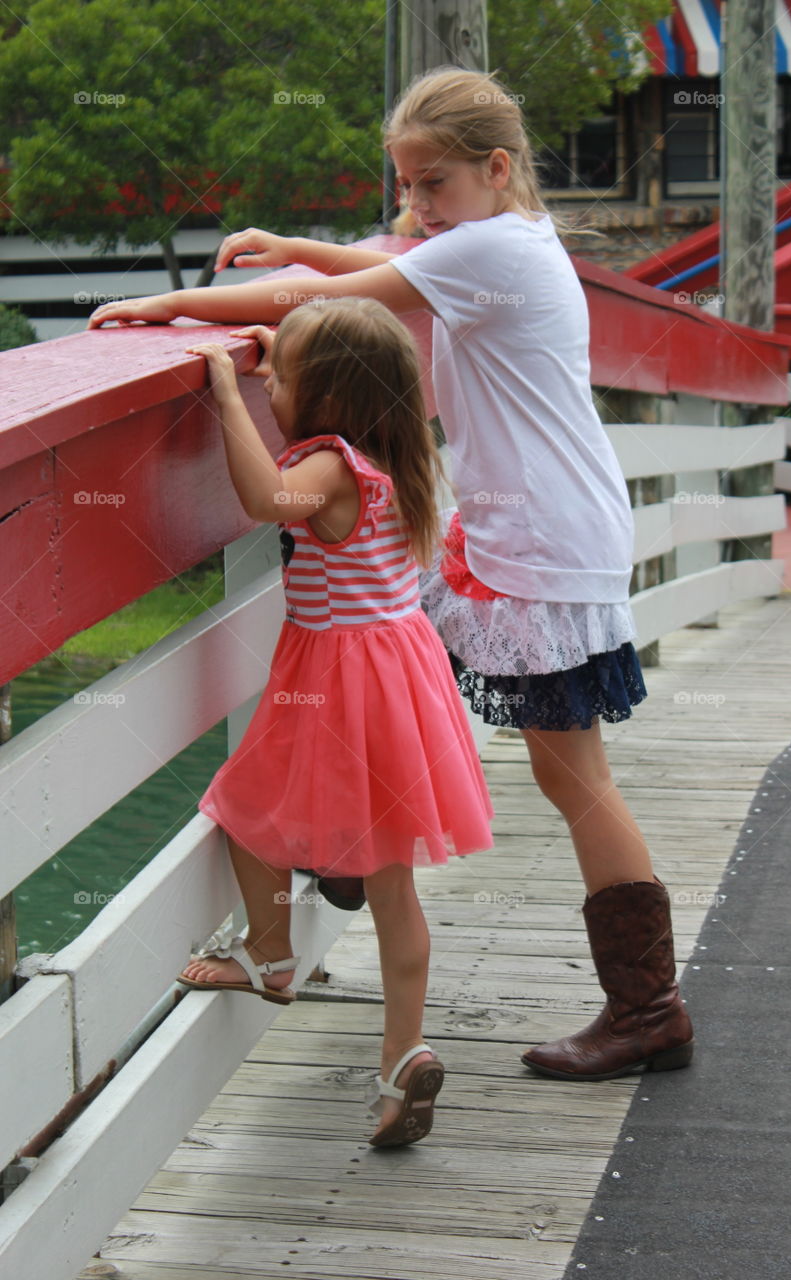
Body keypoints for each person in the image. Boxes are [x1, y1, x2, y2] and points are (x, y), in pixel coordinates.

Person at [88, 66, 694, 1082]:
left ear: (497, 170)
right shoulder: (505, 239)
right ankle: (346, 854)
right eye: (406, 185)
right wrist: (299, 246)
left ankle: (647, 1005)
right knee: (415, 678)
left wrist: (172, 301)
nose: (414, 206)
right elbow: (392, 263)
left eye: (433, 183)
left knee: (570, 771)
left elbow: (326, 300)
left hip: (537, 542)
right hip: (530, 532)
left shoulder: (493, 247)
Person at [175, 297, 494, 1147]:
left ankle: (270, 952)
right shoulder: (397, 455)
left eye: (281, 376)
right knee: (393, 881)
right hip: (401, 676)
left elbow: (265, 497)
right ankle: (401, 1055)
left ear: (327, 400)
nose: (267, 383)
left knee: (244, 807)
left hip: (337, 678)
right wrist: (295, 353)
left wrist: (221, 391)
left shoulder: (327, 464)